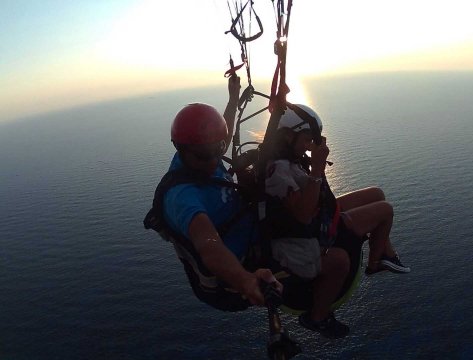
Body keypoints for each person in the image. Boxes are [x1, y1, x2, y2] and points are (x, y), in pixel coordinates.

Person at [264, 104, 410, 337]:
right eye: (306, 139)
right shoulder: (278, 172)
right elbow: (302, 215)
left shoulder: (290, 158)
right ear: (288, 136)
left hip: (319, 214)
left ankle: (383, 254)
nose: (309, 145)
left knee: (376, 194)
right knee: (385, 211)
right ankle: (320, 315)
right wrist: (317, 168)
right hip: (307, 229)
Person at [147, 75, 282, 311]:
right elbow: (209, 245)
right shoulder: (183, 197)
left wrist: (233, 98)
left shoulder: (200, 156)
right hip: (235, 273)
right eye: (203, 155)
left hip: (251, 235)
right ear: (180, 149)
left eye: (217, 150)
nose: (213, 161)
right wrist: (246, 281)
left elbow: (223, 135)